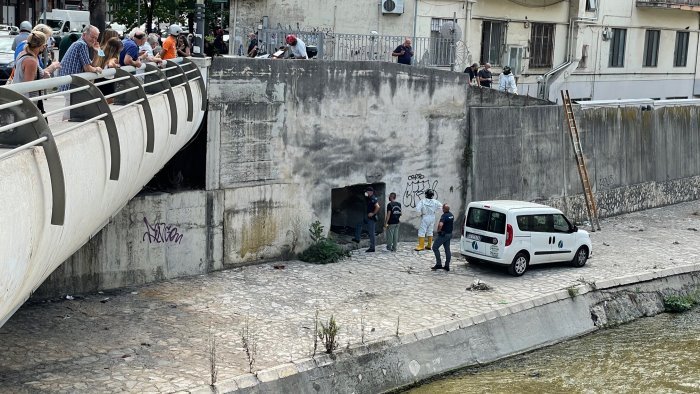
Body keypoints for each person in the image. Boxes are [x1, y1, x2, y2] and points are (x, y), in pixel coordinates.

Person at [93, 37, 122, 103]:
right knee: (106, 104)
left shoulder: (102, 54)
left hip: (98, 81)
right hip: (108, 83)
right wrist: (117, 66)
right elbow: (111, 64)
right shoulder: (114, 58)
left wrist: (97, 50)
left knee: (99, 103)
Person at [353, 186, 380, 252]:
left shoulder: (373, 198)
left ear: (370, 192)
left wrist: (373, 213)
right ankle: (357, 238)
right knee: (358, 224)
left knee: (371, 233)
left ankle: (372, 248)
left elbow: (378, 207)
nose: (366, 192)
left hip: (371, 218)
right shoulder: (369, 197)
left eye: (367, 191)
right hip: (367, 217)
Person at [431, 204, 455, 271]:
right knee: (447, 249)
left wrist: (438, 230)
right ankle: (447, 266)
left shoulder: (444, 216)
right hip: (449, 234)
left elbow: (441, 224)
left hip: (443, 235)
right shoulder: (451, 215)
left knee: (435, 247)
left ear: (444, 209)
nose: (442, 209)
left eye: (443, 208)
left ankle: (439, 264)